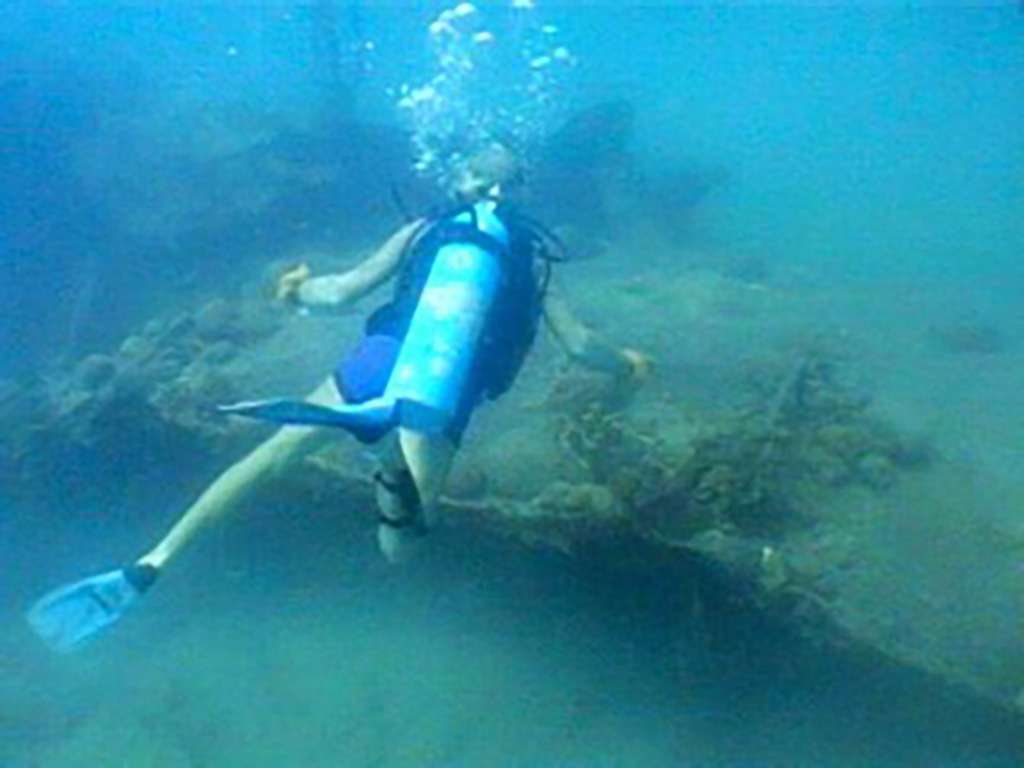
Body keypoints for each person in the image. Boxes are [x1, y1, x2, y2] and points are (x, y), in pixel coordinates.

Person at [26, 142, 650, 653]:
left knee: (269, 459)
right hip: (442, 391)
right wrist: (624, 362)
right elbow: (579, 345)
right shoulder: (531, 258)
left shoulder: (423, 230)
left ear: (462, 179)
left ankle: (153, 560)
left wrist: (295, 290)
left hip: (376, 365)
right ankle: (390, 475)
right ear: (515, 192)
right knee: (404, 541)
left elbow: (340, 293)